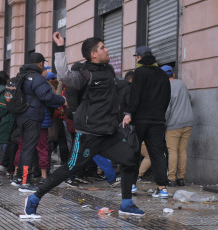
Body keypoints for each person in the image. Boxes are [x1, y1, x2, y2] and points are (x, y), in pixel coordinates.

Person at [23, 32, 144, 217]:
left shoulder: (109, 70)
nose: (107, 49)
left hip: (110, 132)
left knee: (130, 158)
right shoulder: (84, 74)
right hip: (89, 133)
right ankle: (34, 198)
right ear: (93, 54)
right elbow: (63, 75)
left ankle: (126, 203)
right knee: (70, 168)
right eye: (103, 47)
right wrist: (60, 48)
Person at [123, 46, 171, 198]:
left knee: (134, 151)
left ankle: (131, 185)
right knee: (157, 153)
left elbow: (135, 95)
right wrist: (160, 113)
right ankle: (162, 188)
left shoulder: (140, 72)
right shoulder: (163, 74)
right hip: (157, 120)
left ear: (139, 58)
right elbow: (167, 97)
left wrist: (129, 113)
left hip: (140, 119)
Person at [16, 52, 66, 193]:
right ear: (40, 64)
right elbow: (47, 96)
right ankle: (25, 182)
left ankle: (19, 178)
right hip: (32, 118)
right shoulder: (37, 78)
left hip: (21, 116)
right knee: (29, 149)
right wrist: (62, 100)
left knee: (24, 147)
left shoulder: (22, 75)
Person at [162, 65, 193, 187]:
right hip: (188, 121)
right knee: (183, 150)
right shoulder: (182, 84)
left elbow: (167, 109)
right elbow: (189, 98)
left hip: (174, 124)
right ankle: (181, 178)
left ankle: (171, 179)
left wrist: (164, 123)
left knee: (173, 150)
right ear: (173, 74)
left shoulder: (166, 87)